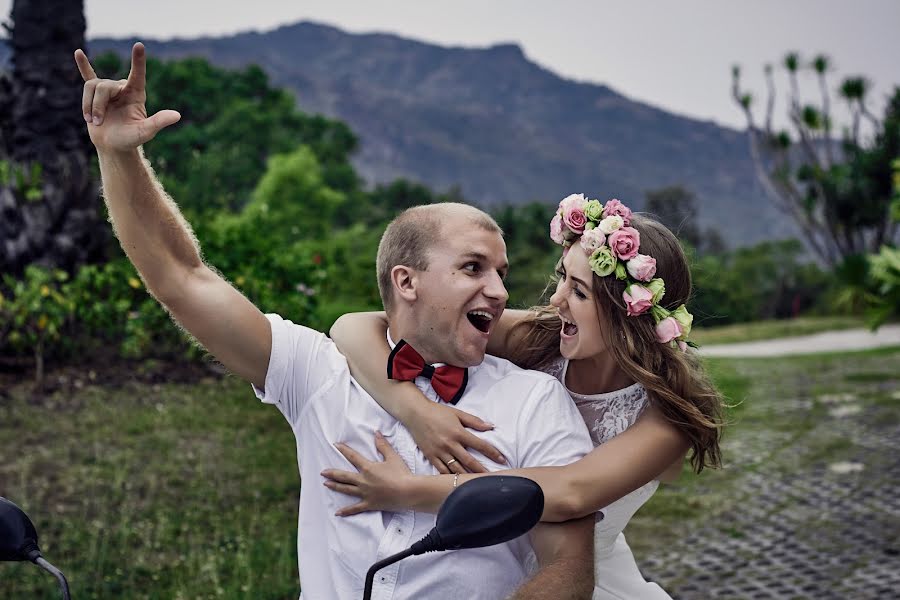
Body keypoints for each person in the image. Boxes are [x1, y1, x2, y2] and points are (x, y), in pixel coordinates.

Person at [74, 43, 598, 599]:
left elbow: (566, 569)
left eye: (501, 272)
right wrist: (119, 155)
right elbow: (182, 277)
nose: (497, 290)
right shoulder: (316, 371)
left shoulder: (535, 402)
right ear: (406, 281)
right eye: (473, 267)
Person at [324, 195, 726, 599]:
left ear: (627, 318)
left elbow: (571, 492)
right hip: (499, 564)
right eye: (562, 277)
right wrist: (415, 411)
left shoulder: (669, 415)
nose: (555, 300)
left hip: (581, 575)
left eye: (580, 292)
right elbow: (353, 327)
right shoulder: (543, 338)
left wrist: (409, 491)